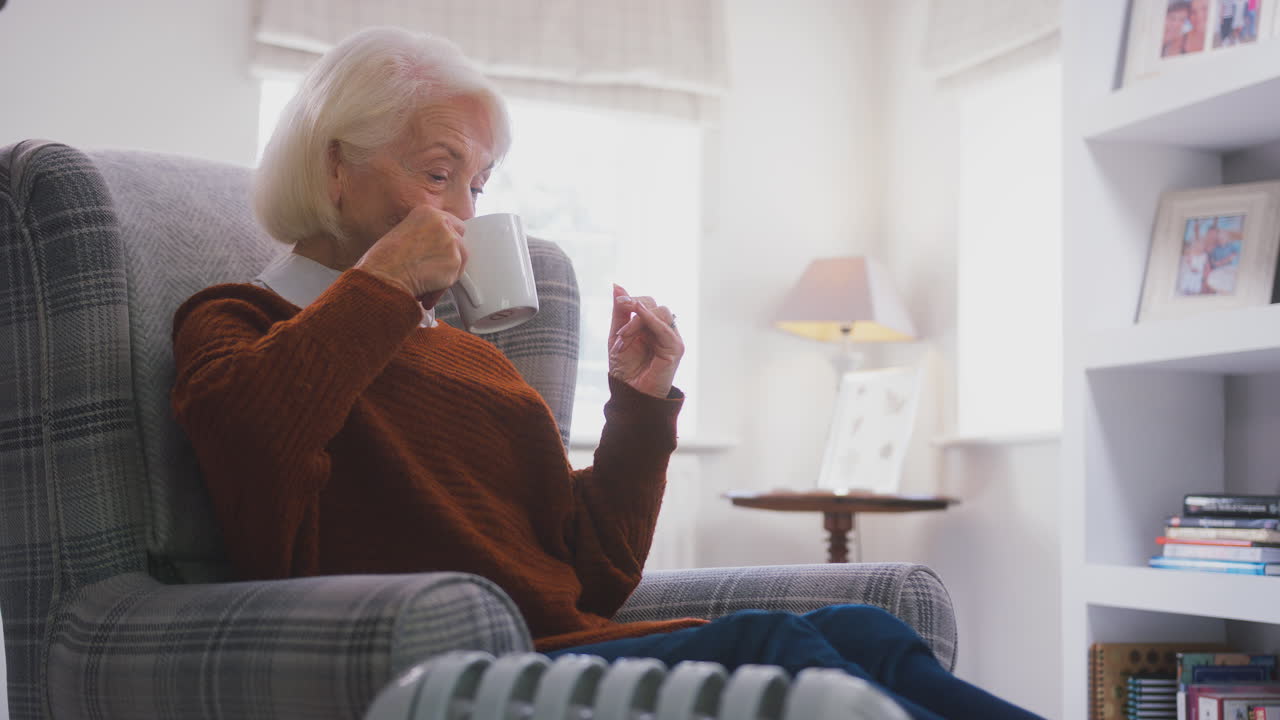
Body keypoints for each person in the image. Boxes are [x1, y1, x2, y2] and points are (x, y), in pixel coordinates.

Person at [170, 26, 1043, 720]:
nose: (465, 211)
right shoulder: (237, 320)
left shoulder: (469, 357)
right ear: (335, 166)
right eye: (439, 174)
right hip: (468, 673)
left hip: (567, 645)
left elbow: (589, 577)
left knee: (865, 630)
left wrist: (639, 406)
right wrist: (384, 283)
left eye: (477, 183)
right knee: (776, 650)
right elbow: (254, 447)